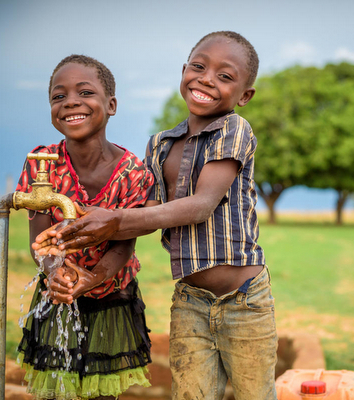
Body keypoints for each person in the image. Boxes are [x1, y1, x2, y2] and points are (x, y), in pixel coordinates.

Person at [37, 31, 278, 400]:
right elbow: (147, 215)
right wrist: (84, 227)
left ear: (244, 96)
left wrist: (113, 219)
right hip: (189, 300)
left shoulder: (234, 129)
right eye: (198, 67)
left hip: (244, 298)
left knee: (254, 394)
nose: (207, 79)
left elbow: (200, 206)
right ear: (184, 71)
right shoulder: (161, 144)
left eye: (225, 76)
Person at [16, 54, 154, 400]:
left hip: (112, 297)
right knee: (54, 391)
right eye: (58, 97)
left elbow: (124, 245)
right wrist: (56, 273)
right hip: (57, 294)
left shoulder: (133, 174)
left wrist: (93, 278)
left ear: (111, 105)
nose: (71, 102)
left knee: (102, 390)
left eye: (85, 92)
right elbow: (40, 242)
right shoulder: (43, 166)